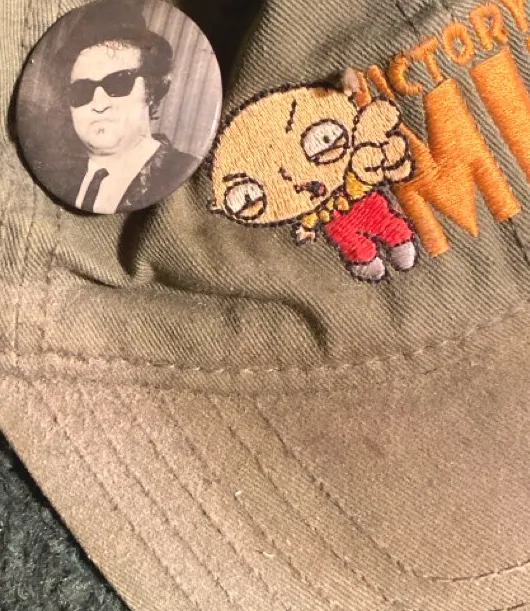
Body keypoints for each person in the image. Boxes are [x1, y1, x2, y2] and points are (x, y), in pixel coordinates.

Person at [52, 0, 195, 213]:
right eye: (82, 90)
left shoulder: (182, 173)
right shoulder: (60, 180)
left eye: (118, 83)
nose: (99, 104)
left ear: (150, 89)